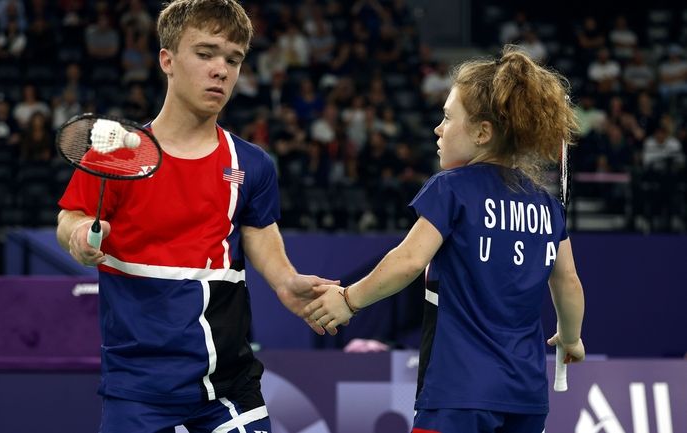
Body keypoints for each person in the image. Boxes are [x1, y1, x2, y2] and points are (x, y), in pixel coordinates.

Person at [55, 1, 335, 432]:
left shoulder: (251, 164)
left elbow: (258, 231)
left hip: (228, 389)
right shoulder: (116, 156)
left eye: (233, 59)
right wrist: (77, 234)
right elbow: (71, 217)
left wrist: (285, 281)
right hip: (139, 391)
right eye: (205, 54)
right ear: (167, 59)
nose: (221, 70)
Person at [305, 46, 586, 432]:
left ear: (482, 133)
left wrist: (350, 300)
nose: (438, 129)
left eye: (447, 117)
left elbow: (408, 261)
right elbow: (568, 282)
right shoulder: (547, 206)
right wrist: (571, 338)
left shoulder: (451, 189)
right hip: (526, 396)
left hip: (457, 392)